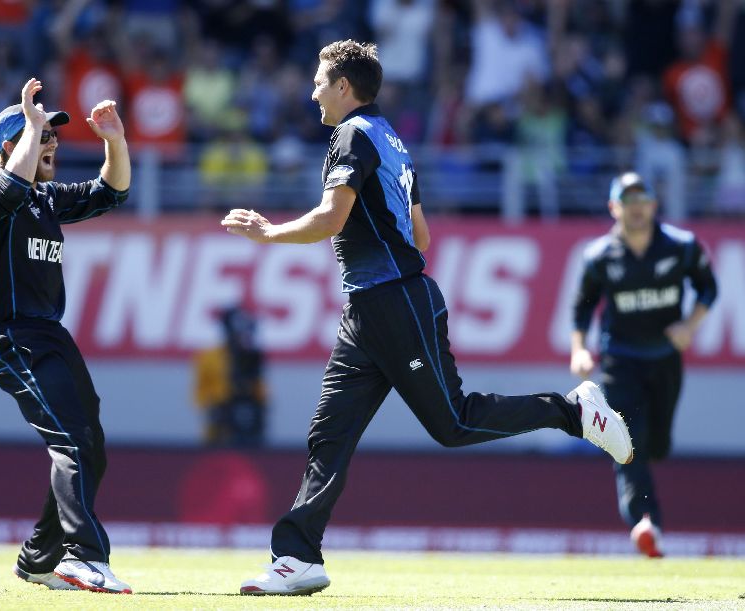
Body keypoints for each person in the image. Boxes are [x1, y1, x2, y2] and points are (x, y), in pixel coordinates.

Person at [221, 39, 633, 596]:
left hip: (392, 300)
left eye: (320, 81)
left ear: (344, 87)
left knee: (454, 423)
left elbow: (332, 216)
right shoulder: (391, 138)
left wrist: (268, 233)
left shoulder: (351, 135)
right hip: (372, 306)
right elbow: (421, 234)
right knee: (329, 433)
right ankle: (298, 557)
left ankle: (573, 412)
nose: (313, 90)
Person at [0, 78, 132, 593]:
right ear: (6, 148)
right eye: (39, 135)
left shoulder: (43, 199)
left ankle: (40, 559)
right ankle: (84, 556)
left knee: (92, 447)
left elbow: (113, 191)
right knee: (71, 441)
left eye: (52, 135)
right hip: (14, 339)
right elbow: (7, 193)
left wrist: (114, 140)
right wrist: (29, 131)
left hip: (50, 336)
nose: (51, 143)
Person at [570, 171, 718, 558]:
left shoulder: (682, 247)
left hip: (665, 359)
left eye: (643, 202)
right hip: (620, 360)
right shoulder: (600, 256)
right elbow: (582, 307)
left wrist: (690, 324)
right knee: (626, 442)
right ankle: (645, 522)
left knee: (658, 444)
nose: (636, 210)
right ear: (614, 208)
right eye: (628, 202)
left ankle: (646, 512)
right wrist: (579, 349)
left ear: (654, 206)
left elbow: (709, 287)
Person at [192, 306, 267, 447]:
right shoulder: (209, 357)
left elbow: (261, 391)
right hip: (218, 425)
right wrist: (211, 407)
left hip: (249, 425)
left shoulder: (251, 356)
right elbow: (199, 392)